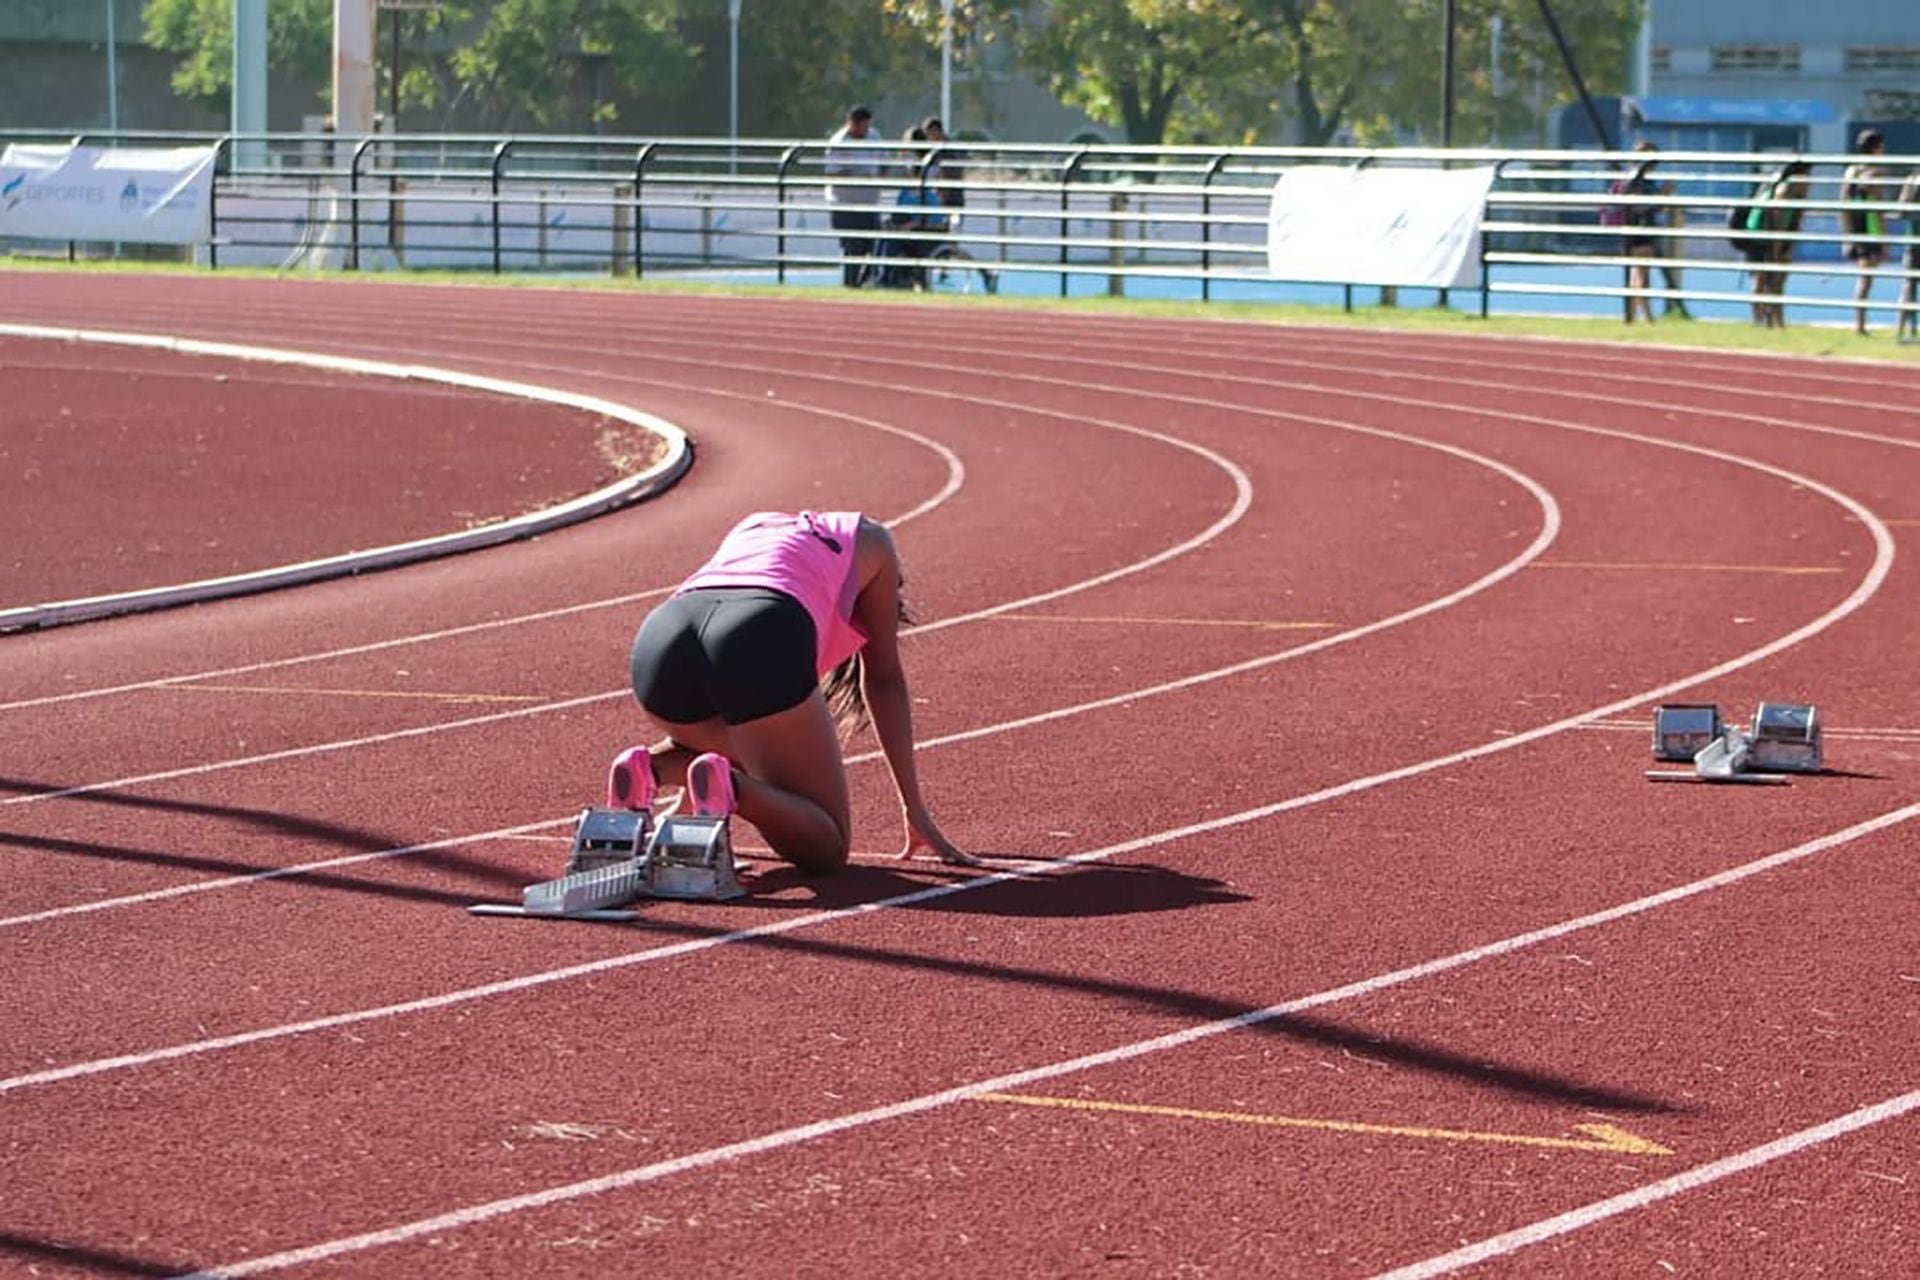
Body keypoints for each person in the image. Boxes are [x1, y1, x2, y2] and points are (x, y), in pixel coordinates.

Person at [620, 511, 971, 876]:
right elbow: (884, 680)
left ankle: (648, 769)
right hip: (761, 623)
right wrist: (914, 809)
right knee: (828, 845)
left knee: (749, 746)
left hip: (662, 635)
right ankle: (731, 789)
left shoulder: (758, 524)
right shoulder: (878, 543)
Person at [1741, 160, 1812, 329]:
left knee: (1775, 281)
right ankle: (1764, 321)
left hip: (1774, 239)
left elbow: (1794, 224)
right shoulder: (1784, 190)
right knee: (1765, 280)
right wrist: (1776, 251)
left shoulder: (1793, 192)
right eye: (1807, 176)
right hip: (1762, 239)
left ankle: (1771, 321)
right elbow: (1777, 223)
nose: (1809, 181)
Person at [824, 106, 884, 288]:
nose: (866, 130)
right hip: (846, 205)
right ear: (852, 124)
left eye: (868, 126)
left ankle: (865, 283)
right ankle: (850, 285)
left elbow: (884, 160)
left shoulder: (874, 137)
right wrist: (857, 177)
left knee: (873, 247)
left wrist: (880, 176)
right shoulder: (838, 143)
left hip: (870, 203)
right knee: (852, 248)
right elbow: (832, 173)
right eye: (863, 127)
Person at [1841, 129, 1888, 335]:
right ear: (1876, 148)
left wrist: (1847, 234)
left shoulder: (1850, 171)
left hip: (1856, 228)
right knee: (1866, 279)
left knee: (1864, 278)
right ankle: (1860, 326)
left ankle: (1859, 324)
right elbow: (1877, 208)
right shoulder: (1874, 173)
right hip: (1870, 228)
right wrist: (1883, 238)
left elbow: (1843, 204)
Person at [1614, 143, 1663, 324]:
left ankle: (1633, 315)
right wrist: (1661, 197)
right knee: (1642, 273)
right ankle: (1647, 316)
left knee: (1638, 273)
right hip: (1638, 228)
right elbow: (1637, 205)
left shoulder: (1643, 179)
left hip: (1643, 226)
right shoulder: (1637, 179)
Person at [1899, 168, 1920, 342]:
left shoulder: (1911, 180)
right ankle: (1904, 331)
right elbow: (1902, 211)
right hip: (1914, 240)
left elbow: (1901, 211)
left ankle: (1906, 331)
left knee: (1908, 286)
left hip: (1913, 240)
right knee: (1908, 286)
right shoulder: (1912, 180)